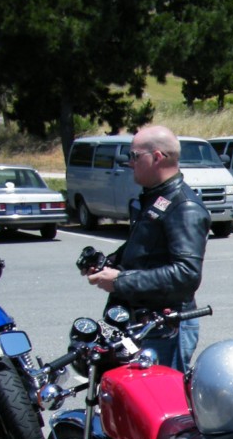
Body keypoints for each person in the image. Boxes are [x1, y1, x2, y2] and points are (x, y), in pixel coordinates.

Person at [86, 124, 208, 371]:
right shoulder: (157, 198)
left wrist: (120, 280)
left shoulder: (184, 207)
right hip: (139, 319)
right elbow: (145, 247)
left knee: (158, 394)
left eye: (134, 156)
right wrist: (110, 263)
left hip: (163, 327)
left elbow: (187, 274)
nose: (129, 162)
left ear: (157, 157)